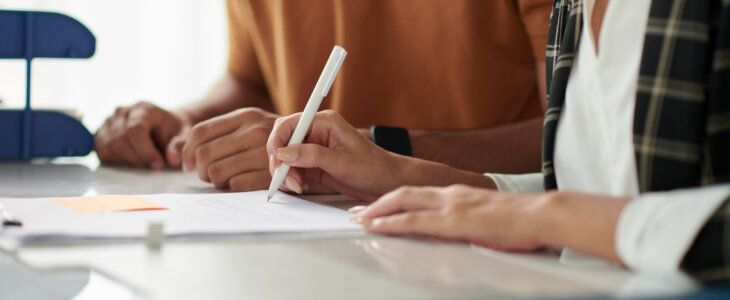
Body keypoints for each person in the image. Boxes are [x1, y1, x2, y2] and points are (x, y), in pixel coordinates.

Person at [266, 0, 730, 283]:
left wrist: (552, 215)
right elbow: (603, 195)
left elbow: (580, 213)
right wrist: (426, 179)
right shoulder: (571, 6)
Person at [94, 0, 553, 192]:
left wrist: (380, 154)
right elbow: (250, 78)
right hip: (309, 235)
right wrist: (187, 120)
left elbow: (574, 142)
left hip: (485, 245)